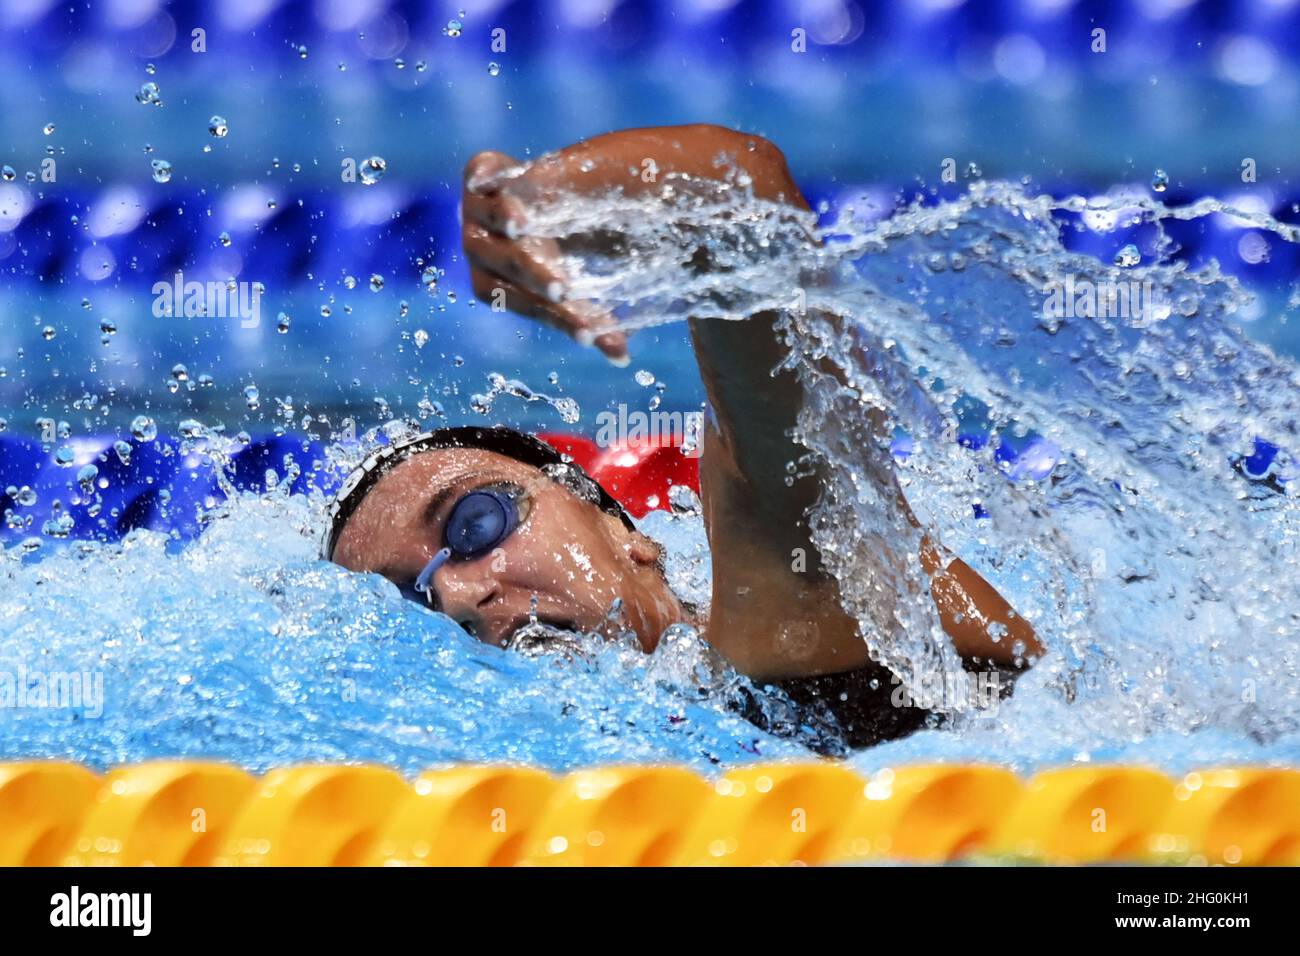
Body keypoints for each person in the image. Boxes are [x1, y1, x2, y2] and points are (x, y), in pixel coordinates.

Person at [325, 124, 1043, 749]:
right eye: (412, 605)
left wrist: (545, 197)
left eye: (476, 523)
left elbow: (738, 196)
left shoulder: (789, 600)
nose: (453, 598)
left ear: (620, 528)